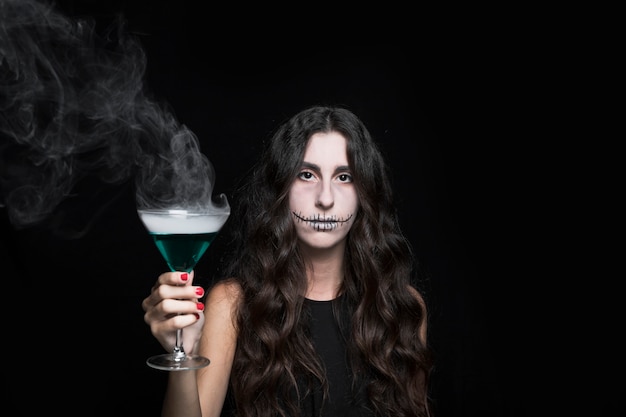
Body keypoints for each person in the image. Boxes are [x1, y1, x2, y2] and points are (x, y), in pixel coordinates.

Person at [142, 105, 433, 417]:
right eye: (306, 175)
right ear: (281, 187)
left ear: (365, 193)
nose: (325, 199)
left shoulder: (403, 307)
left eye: (344, 176)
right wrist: (182, 355)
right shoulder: (231, 304)